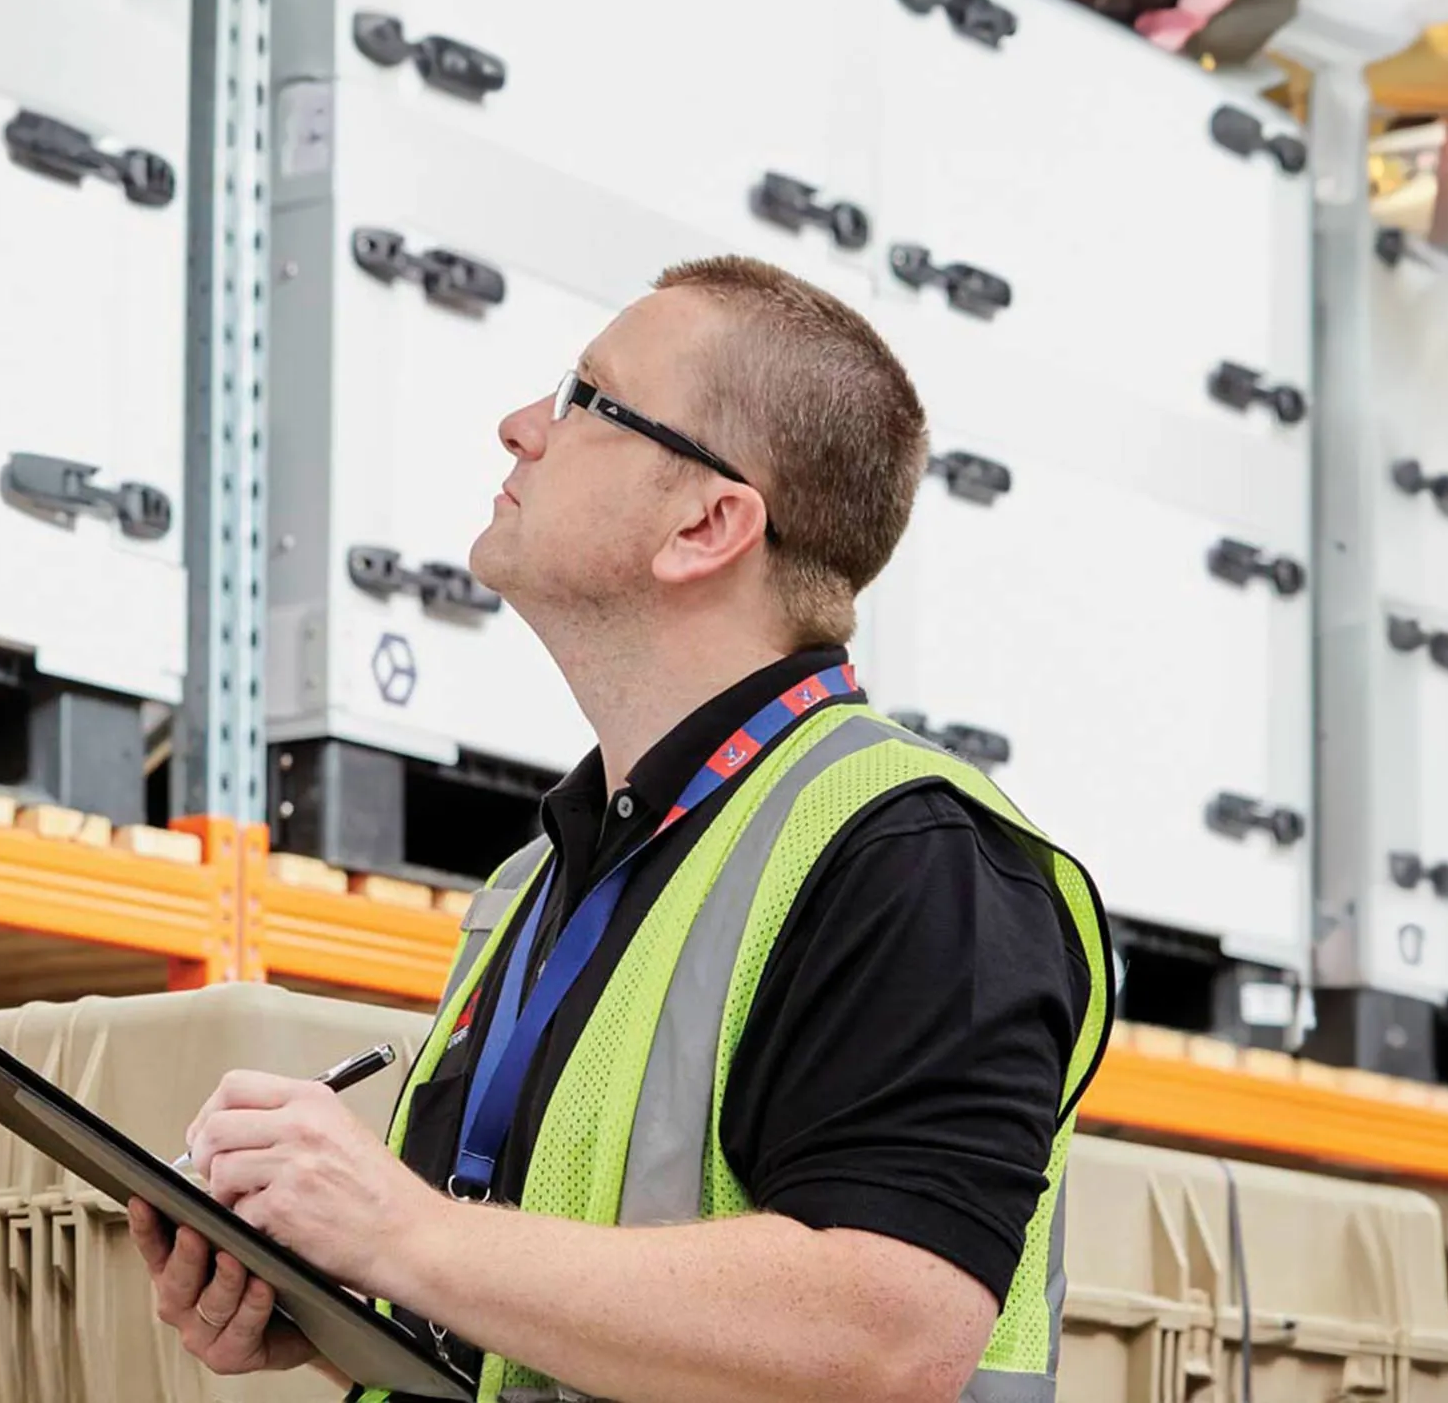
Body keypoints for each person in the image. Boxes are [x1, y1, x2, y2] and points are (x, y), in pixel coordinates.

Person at [127, 256, 1111, 1403]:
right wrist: (334, 1299)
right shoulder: (544, 873)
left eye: (582, 398)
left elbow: (888, 1338)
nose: (518, 428)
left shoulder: (917, 859)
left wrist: (400, 1236)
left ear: (707, 521)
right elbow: (542, 1286)